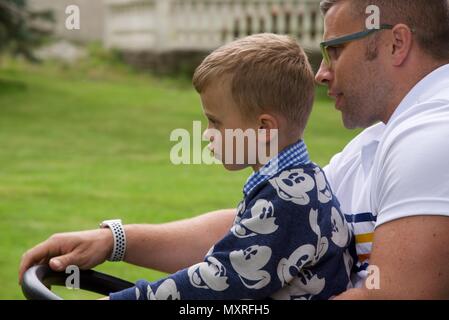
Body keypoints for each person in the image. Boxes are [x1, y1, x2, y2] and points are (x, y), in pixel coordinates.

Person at [20, 0, 449, 299]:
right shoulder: (374, 144)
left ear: (396, 43)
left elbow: (397, 295)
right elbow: (257, 234)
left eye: (335, 50)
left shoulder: (430, 138)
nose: (321, 73)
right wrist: (114, 241)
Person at [20, 34, 355, 300]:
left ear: (264, 128)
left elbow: (217, 283)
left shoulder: (290, 201)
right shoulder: (295, 184)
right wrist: (114, 241)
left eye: (215, 122)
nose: (207, 135)